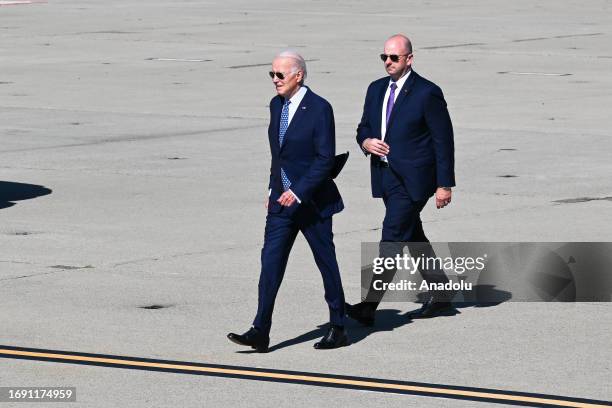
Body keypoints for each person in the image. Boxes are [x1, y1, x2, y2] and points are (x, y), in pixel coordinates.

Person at [228, 51, 347, 352]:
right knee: (270, 264)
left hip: (312, 203)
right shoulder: (276, 105)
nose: (275, 80)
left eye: (280, 75)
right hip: (280, 203)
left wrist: (297, 191)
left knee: (326, 263)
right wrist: (273, 190)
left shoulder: (320, 108)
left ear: (299, 75)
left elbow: (324, 159)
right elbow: (278, 156)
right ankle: (260, 330)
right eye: (272, 74)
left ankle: (338, 324)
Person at [347, 34, 456, 326]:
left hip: (415, 181)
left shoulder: (427, 92)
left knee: (392, 237)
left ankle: (369, 306)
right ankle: (442, 292)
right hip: (385, 176)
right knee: (412, 235)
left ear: (409, 58)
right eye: (384, 57)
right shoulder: (375, 89)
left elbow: (443, 141)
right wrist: (366, 141)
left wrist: (444, 185)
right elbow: (363, 127)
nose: (388, 63)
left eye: (394, 57)